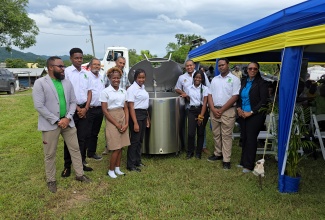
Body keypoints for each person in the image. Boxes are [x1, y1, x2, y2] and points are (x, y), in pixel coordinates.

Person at [32, 56, 91, 193]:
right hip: (50, 124)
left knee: (75, 149)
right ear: (51, 67)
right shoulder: (41, 83)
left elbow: (72, 102)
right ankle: (51, 180)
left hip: (68, 122)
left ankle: (79, 174)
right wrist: (57, 120)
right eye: (60, 66)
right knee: (50, 154)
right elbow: (39, 106)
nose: (63, 69)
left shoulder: (67, 83)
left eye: (63, 66)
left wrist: (68, 118)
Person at [61, 48, 93, 178]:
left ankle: (80, 164)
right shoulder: (67, 72)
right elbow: (65, 93)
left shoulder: (87, 72)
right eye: (76, 58)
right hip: (71, 111)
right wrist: (77, 109)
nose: (79, 60)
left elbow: (90, 91)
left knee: (82, 138)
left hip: (85, 109)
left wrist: (85, 108)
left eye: (81, 58)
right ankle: (67, 166)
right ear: (71, 59)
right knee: (69, 139)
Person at [207, 58, 241, 169]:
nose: (221, 67)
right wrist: (212, 108)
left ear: (228, 65)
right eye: (219, 65)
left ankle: (226, 160)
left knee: (226, 136)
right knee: (216, 134)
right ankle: (218, 153)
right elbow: (210, 95)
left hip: (228, 110)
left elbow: (235, 96)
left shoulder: (234, 79)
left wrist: (221, 110)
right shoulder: (214, 79)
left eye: (223, 65)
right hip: (214, 110)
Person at [236, 62, 269, 173]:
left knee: (251, 139)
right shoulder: (244, 81)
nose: (252, 70)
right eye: (250, 68)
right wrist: (239, 108)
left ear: (258, 70)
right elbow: (239, 97)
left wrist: (252, 112)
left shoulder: (262, 83)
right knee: (244, 138)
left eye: (255, 68)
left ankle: (249, 165)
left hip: (255, 115)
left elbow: (263, 101)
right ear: (247, 70)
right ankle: (243, 161)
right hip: (242, 114)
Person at [100, 67, 130, 178]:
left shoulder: (123, 91)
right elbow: (104, 110)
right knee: (115, 146)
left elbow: (126, 108)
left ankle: (117, 168)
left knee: (121, 145)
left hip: (122, 116)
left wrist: (126, 123)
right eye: (114, 78)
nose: (116, 80)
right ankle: (110, 170)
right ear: (109, 78)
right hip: (111, 118)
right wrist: (116, 124)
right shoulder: (105, 92)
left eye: (118, 78)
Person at [175, 60, 210, 154]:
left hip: (201, 106)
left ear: (194, 66)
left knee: (201, 127)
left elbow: (207, 87)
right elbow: (177, 88)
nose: (189, 67)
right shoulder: (182, 77)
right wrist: (183, 93)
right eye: (187, 66)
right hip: (188, 105)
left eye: (190, 65)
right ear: (185, 67)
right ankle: (191, 147)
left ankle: (203, 146)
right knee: (190, 127)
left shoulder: (201, 74)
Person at [102, 56, 131, 155]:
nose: (122, 65)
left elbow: (127, 86)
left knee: (122, 127)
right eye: (120, 62)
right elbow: (104, 86)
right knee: (111, 129)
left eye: (123, 63)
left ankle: (120, 145)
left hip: (121, 101)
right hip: (111, 103)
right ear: (116, 62)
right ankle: (109, 146)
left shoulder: (125, 74)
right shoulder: (108, 73)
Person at [127, 68, 150, 172]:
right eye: (139, 77)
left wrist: (147, 118)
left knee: (140, 140)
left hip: (143, 114)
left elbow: (145, 104)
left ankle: (137, 161)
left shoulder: (143, 88)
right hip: (135, 115)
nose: (141, 79)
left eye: (143, 77)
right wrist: (135, 122)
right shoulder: (132, 89)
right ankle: (130, 165)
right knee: (134, 141)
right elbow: (131, 107)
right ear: (135, 78)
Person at [184, 70, 209, 159]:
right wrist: (185, 96)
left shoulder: (205, 89)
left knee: (200, 133)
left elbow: (205, 103)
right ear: (193, 78)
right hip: (192, 110)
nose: (197, 79)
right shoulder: (189, 88)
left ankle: (198, 153)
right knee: (191, 133)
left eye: (199, 78)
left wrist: (201, 117)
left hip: (202, 110)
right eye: (196, 77)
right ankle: (190, 152)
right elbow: (188, 98)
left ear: (202, 79)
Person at [85, 58, 105, 161]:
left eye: (98, 65)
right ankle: (83, 154)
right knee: (86, 132)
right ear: (90, 65)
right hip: (90, 109)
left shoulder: (101, 77)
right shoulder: (87, 76)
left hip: (99, 109)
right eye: (95, 64)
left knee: (95, 133)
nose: (97, 66)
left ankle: (92, 152)